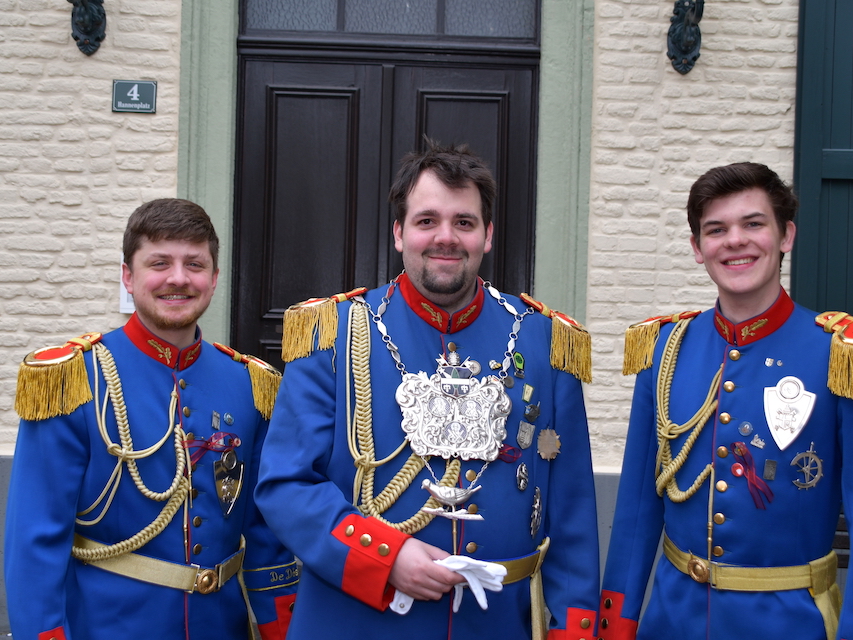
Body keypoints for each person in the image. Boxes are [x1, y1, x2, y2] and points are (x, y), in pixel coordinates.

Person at [255, 140, 600, 639]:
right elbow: (285, 485)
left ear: (488, 236)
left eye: (464, 222)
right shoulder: (333, 333)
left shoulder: (543, 340)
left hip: (495, 625)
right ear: (398, 234)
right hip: (355, 620)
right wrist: (385, 557)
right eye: (426, 221)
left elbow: (572, 513)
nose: (446, 237)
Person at [599, 163, 853, 640]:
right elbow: (639, 510)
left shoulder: (845, 356)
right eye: (716, 230)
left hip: (790, 624)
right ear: (698, 249)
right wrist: (614, 625)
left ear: (786, 236)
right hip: (670, 620)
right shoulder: (665, 350)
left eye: (753, 224)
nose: (735, 241)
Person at [5, 199, 298, 640]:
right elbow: (34, 544)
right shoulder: (73, 380)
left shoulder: (250, 384)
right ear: (128, 275)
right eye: (159, 262)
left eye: (194, 264)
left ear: (214, 278)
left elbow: (267, 538)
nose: (178, 278)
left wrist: (283, 630)